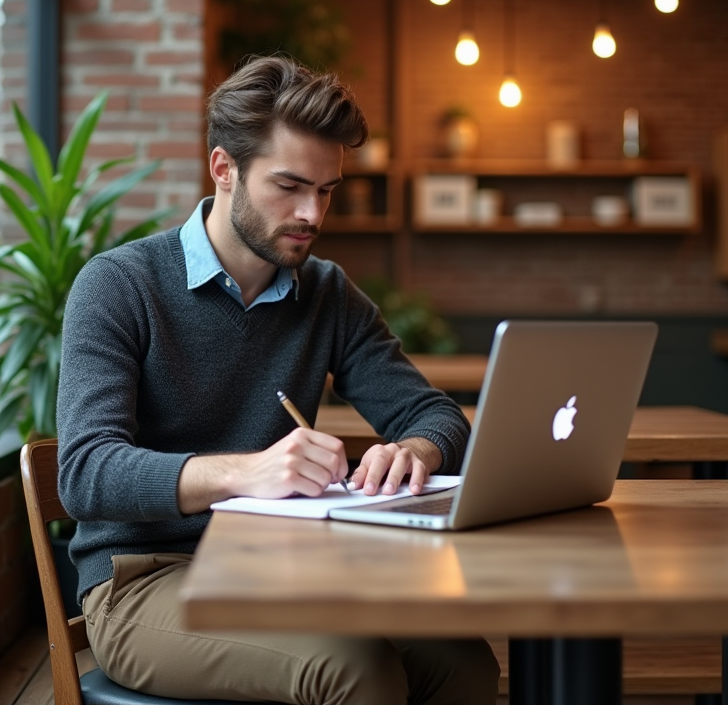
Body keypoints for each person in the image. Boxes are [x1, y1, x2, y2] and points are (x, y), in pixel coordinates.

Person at [57, 56, 499, 705]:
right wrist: (243, 472)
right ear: (223, 169)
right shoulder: (120, 284)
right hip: (141, 581)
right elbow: (86, 472)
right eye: (290, 186)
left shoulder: (327, 292)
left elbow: (435, 417)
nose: (312, 214)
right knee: (355, 670)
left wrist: (413, 452)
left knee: (462, 663)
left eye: (326, 190)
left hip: (282, 569)